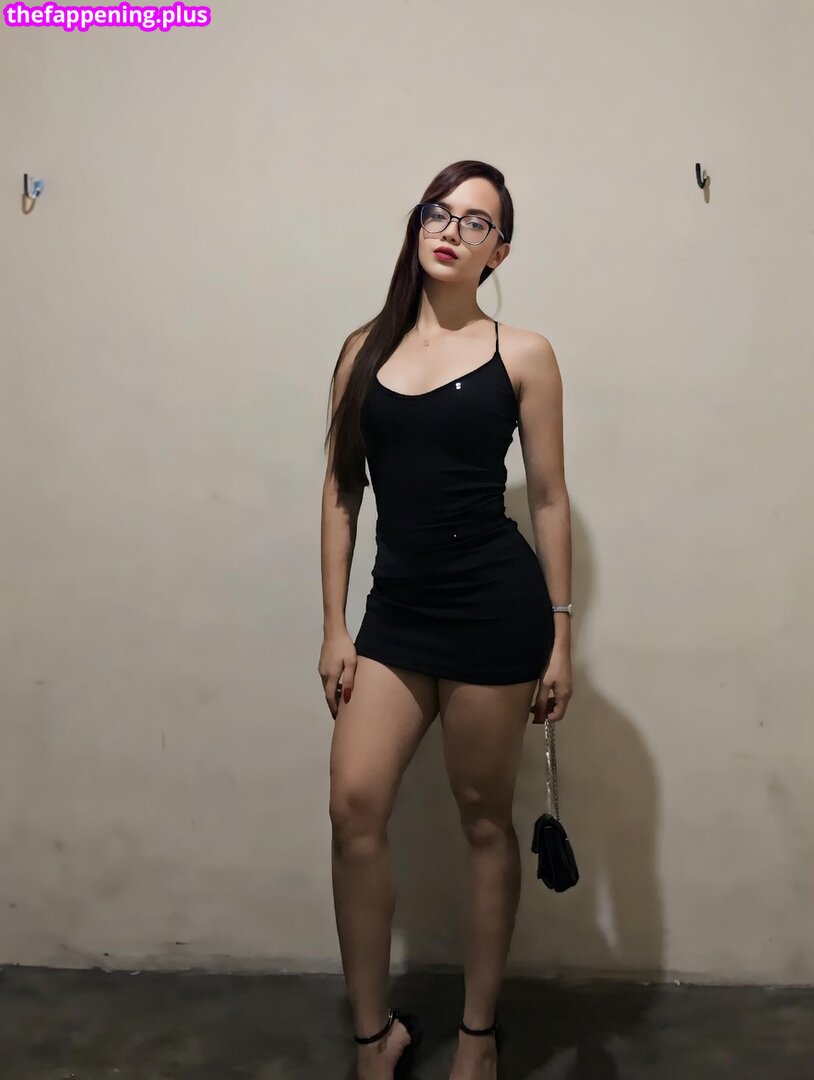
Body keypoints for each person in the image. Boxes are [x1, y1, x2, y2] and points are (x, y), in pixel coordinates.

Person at [319, 159, 573, 1080]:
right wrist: (335, 626)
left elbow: (548, 499)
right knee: (353, 805)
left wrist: (562, 636)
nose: (452, 231)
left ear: (498, 251)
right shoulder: (362, 351)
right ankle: (373, 1038)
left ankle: (477, 1036)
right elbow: (342, 492)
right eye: (439, 212)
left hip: (494, 614)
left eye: (476, 222)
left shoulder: (524, 354)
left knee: (484, 819)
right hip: (396, 615)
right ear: (418, 224)